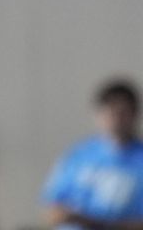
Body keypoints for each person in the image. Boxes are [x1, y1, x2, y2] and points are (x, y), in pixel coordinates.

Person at [42, 79, 143, 230]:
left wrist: (92, 222)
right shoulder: (78, 155)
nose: (116, 119)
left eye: (122, 112)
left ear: (135, 114)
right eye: (110, 111)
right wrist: (67, 216)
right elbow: (51, 211)